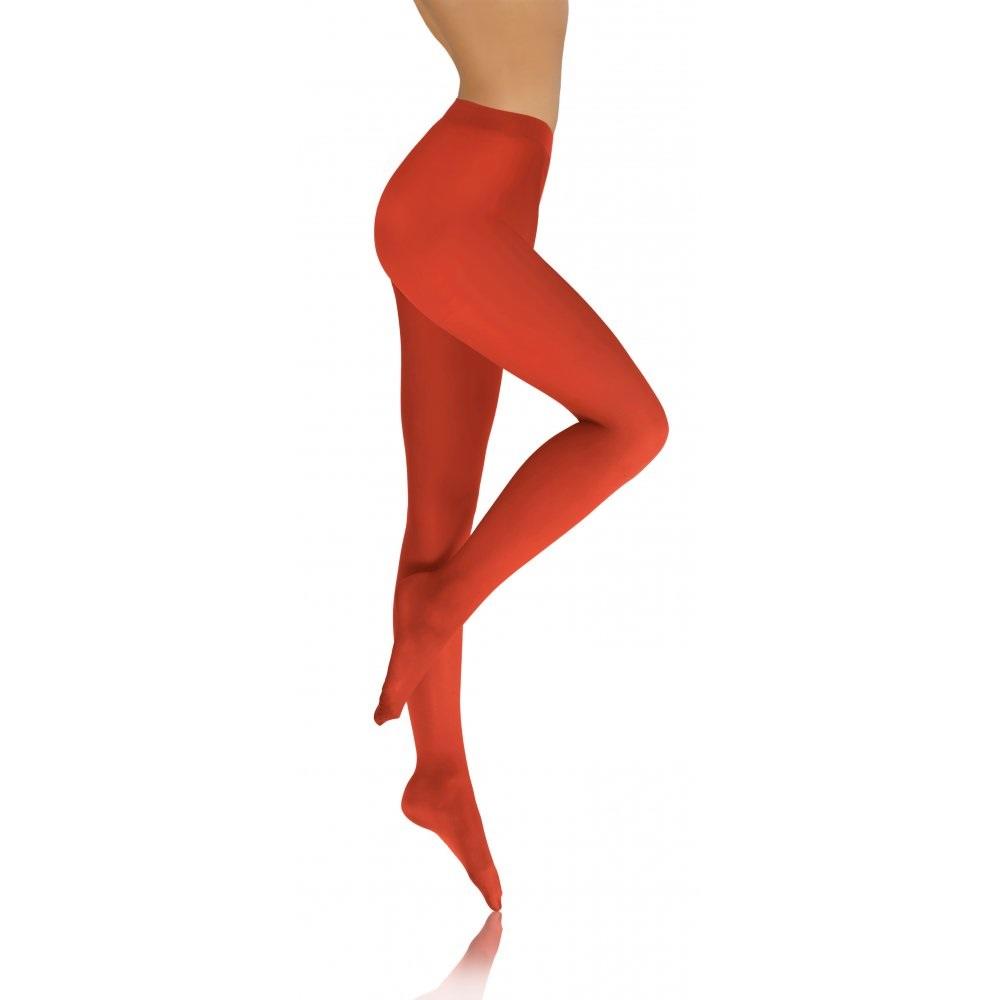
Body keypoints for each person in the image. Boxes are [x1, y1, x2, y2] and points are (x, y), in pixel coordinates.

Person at [372, 0, 668, 911]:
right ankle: (441, 604)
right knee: (633, 426)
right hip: (453, 215)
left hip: (480, 205)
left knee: (440, 512)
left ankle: (439, 775)